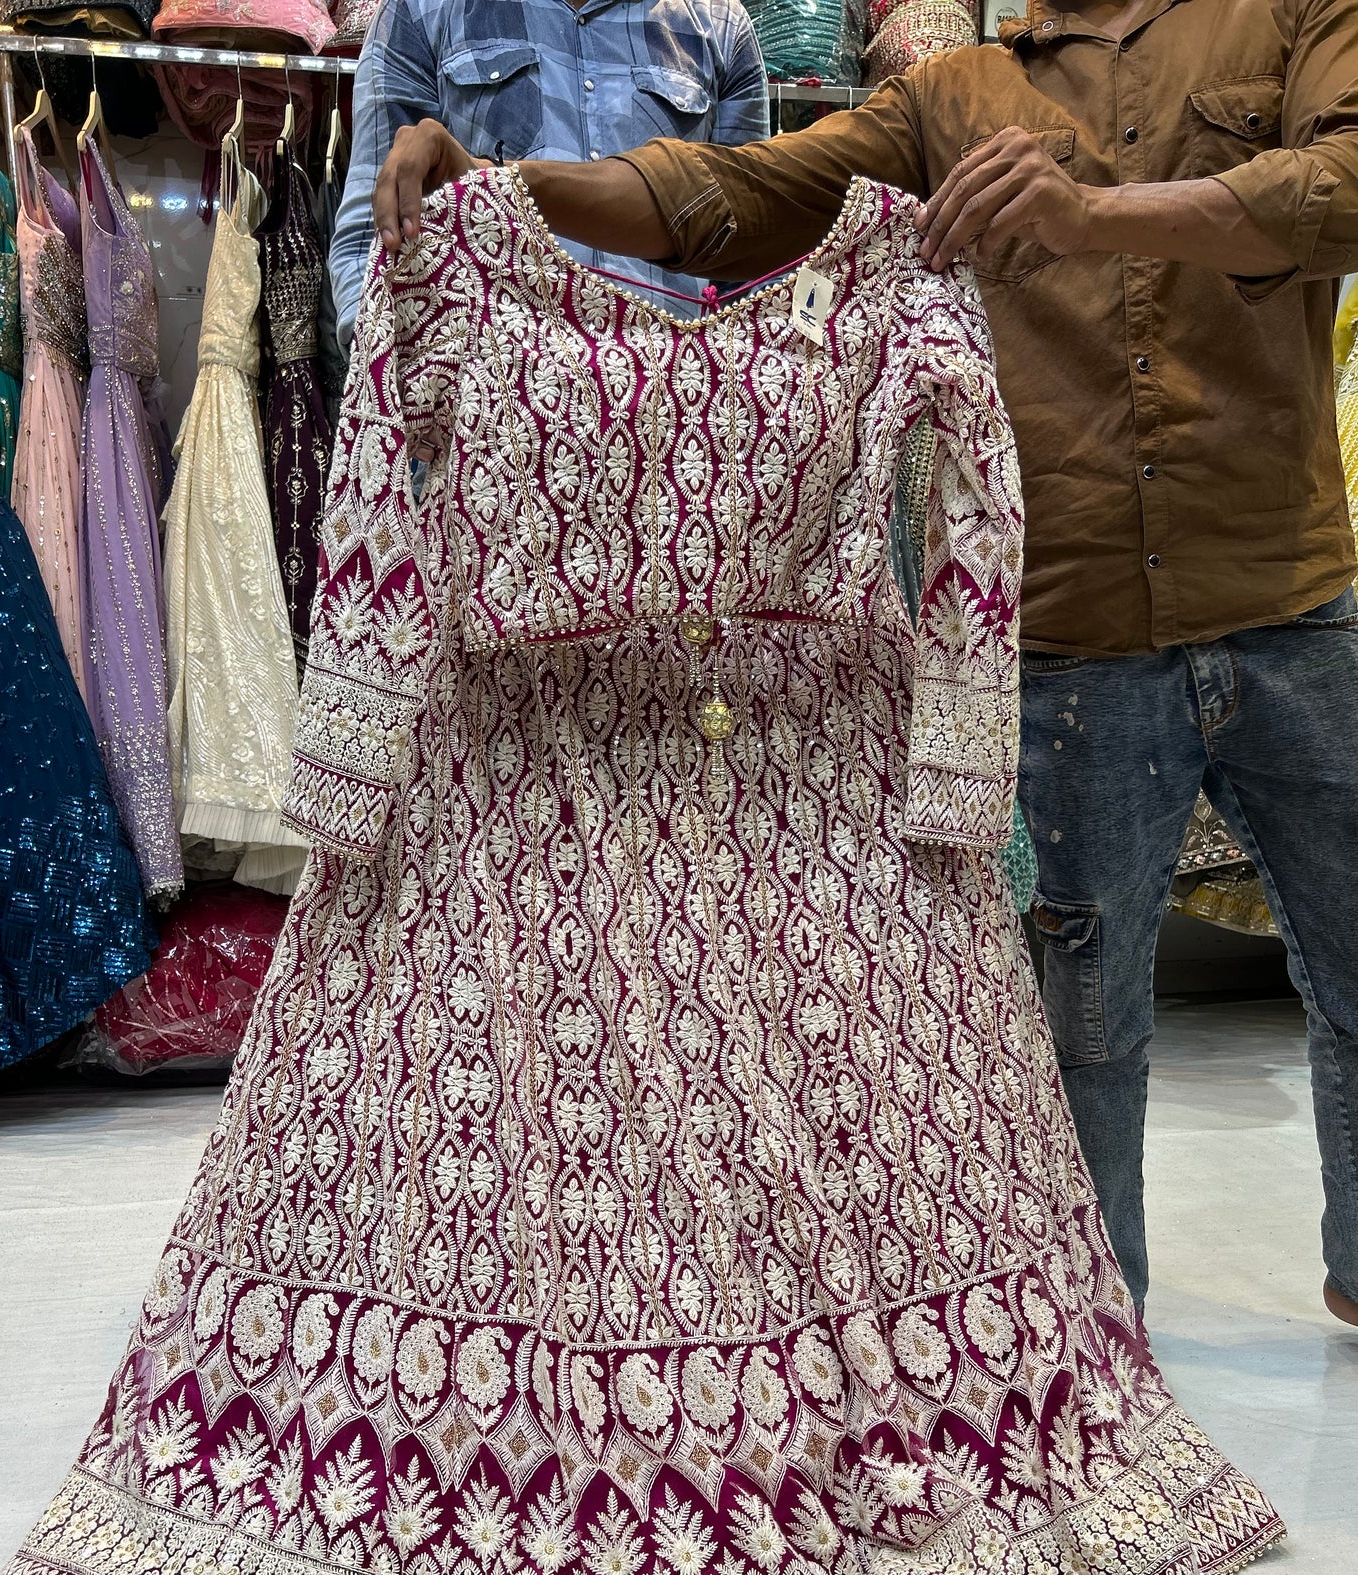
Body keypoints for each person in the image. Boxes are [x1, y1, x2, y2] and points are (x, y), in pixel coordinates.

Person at [373, 0, 1358, 1328]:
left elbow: (1342, 191)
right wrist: (508, 191)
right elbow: (724, 195)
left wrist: (1093, 214)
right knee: (1084, 1033)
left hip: (1287, 590)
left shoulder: (1288, 16)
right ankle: (1090, 1343)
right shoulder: (954, 95)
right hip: (1078, 639)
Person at [328, 0, 771, 345]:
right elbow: (368, 239)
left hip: (670, 423)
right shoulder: (423, 11)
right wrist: (403, 385)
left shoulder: (719, 25)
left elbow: (752, 263)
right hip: (491, 426)